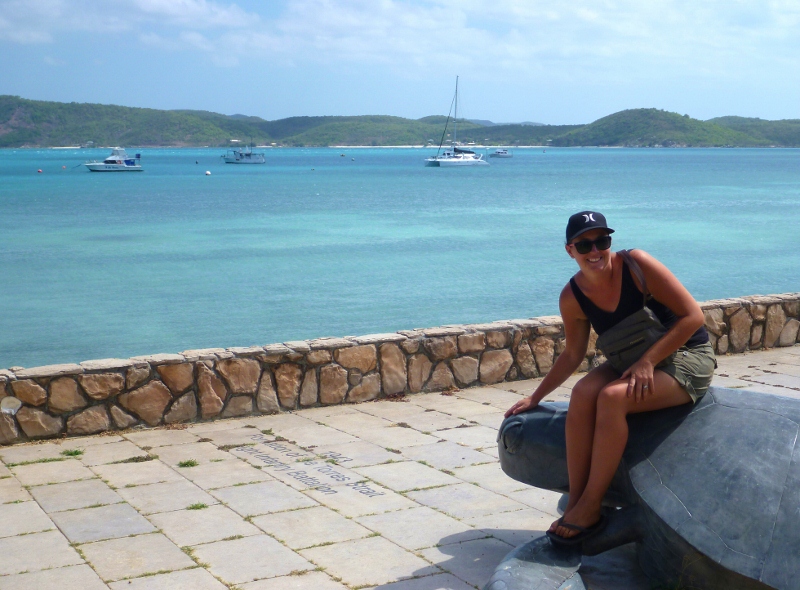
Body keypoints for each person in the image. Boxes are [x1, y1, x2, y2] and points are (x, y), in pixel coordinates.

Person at [504, 211, 715, 544]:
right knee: (584, 391)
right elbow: (573, 354)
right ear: (570, 250)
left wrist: (648, 361)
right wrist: (536, 397)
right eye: (584, 244)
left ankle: (590, 506)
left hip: (685, 356)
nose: (595, 251)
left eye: (602, 241)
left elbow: (693, 317)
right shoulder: (572, 297)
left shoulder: (637, 265)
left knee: (613, 398)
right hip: (632, 358)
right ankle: (576, 499)